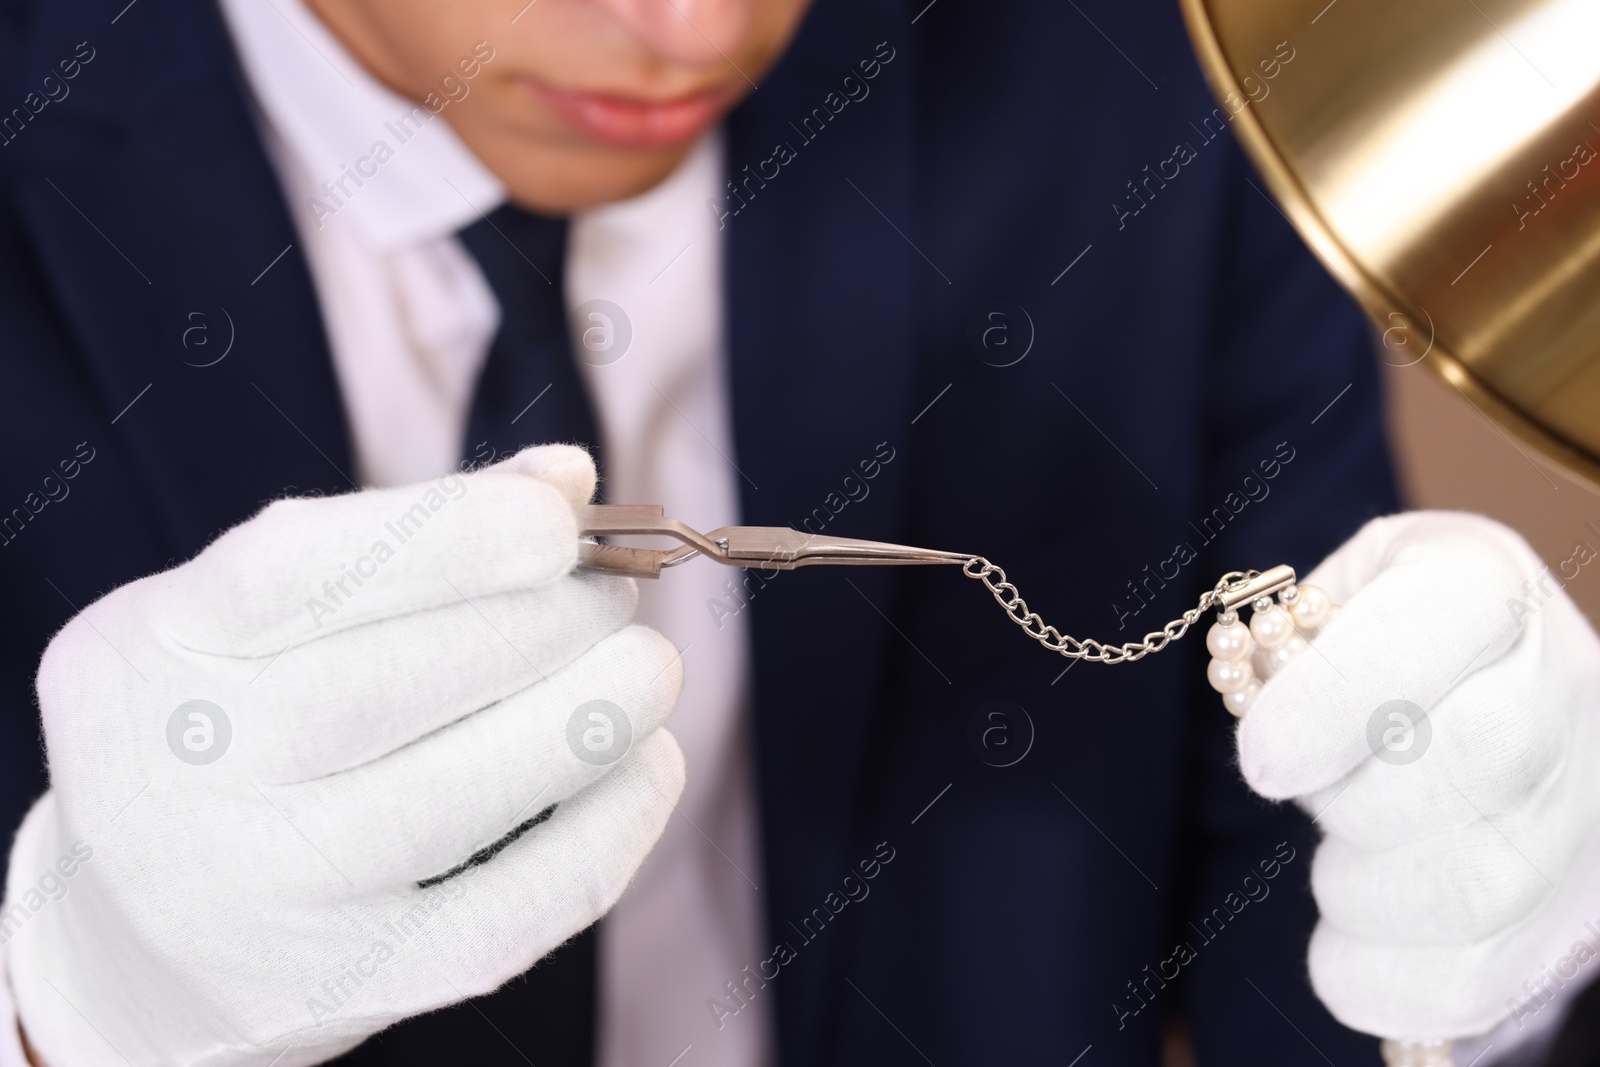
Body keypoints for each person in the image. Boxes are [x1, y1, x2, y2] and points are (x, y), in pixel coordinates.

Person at [2, 0, 1598, 1064]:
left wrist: (1510, 957)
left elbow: (1324, 941)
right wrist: (64, 1007)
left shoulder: (1132, 99)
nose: (693, 27)